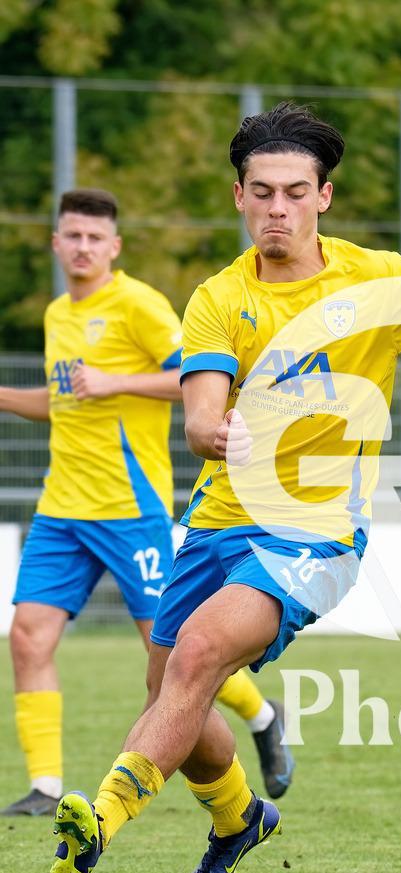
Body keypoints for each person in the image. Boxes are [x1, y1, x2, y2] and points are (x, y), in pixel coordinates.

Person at [47, 102, 401, 873]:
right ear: (238, 197)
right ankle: (238, 817)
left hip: (316, 535)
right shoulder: (217, 296)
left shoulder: (378, 279)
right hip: (216, 521)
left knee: (201, 654)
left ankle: (100, 815)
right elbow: (202, 413)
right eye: (261, 192)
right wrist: (215, 433)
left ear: (323, 197)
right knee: (173, 690)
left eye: (293, 192)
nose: (276, 208)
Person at [0, 188, 292, 818]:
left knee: (168, 656)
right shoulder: (57, 315)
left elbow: (192, 374)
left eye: (93, 238)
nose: (81, 248)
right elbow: (65, 402)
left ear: (114, 247)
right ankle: (46, 787)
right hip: (61, 510)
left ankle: (264, 714)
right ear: (56, 243)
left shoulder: (136, 304)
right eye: (71, 236)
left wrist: (117, 381)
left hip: (131, 510)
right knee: (27, 638)